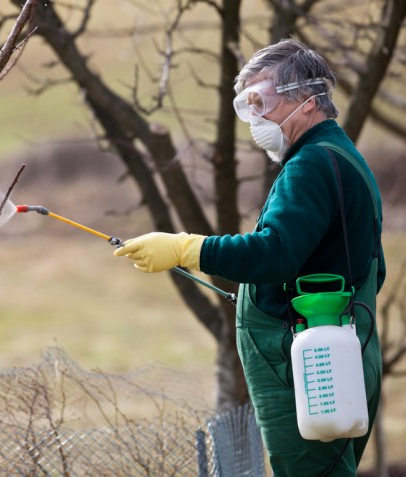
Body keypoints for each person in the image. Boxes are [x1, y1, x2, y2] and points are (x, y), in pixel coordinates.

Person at [113, 38, 385, 477]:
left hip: (309, 366)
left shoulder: (311, 165)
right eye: (248, 105)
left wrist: (187, 248)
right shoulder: (339, 156)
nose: (256, 118)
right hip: (338, 356)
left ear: (308, 100)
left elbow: (274, 253)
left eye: (264, 101)